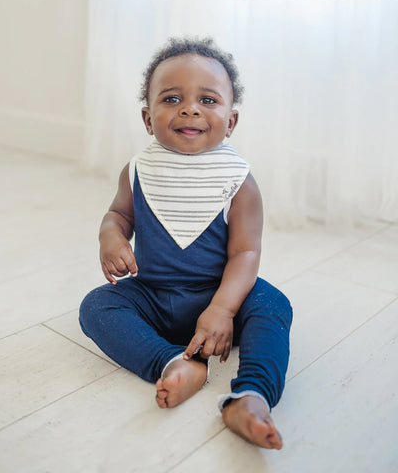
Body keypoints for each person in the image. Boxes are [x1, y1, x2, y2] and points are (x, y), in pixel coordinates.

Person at [79, 38, 292, 450]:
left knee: (272, 304)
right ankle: (176, 362)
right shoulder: (138, 171)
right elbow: (118, 214)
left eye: (208, 100)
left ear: (230, 122)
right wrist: (111, 235)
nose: (190, 108)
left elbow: (246, 253)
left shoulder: (239, 182)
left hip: (219, 297)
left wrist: (223, 308)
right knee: (96, 306)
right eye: (172, 97)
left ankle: (250, 396)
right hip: (152, 295)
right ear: (147, 117)